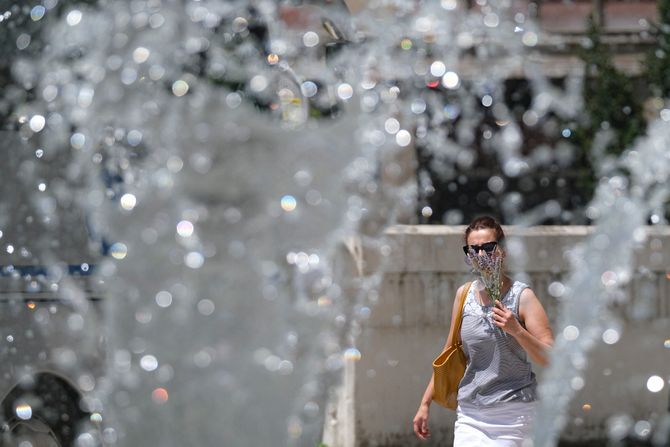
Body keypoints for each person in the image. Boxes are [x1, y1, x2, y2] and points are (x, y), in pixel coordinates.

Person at [412, 216, 554, 446]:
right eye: (473, 249)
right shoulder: (464, 295)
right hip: (470, 413)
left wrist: (516, 330)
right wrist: (425, 404)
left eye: (488, 247)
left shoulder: (522, 297)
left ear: (503, 251)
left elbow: (550, 358)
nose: (481, 255)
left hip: (513, 414)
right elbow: (450, 353)